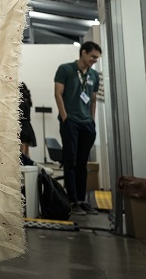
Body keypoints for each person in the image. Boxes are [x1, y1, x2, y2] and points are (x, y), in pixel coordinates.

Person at [54, 41, 101, 215]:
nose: (94, 60)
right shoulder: (65, 69)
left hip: (87, 123)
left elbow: (93, 99)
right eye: (93, 56)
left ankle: (82, 200)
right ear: (83, 52)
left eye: (97, 58)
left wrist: (92, 120)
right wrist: (65, 117)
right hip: (71, 122)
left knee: (82, 163)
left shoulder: (94, 75)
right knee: (71, 160)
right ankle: (72, 200)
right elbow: (58, 93)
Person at [19, 82, 36, 159]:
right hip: (28, 127)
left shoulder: (21, 102)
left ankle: (22, 168)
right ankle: (29, 166)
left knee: (21, 152)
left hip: (22, 127)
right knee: (26, 151)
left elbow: (20, 116)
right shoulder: (27, 102)